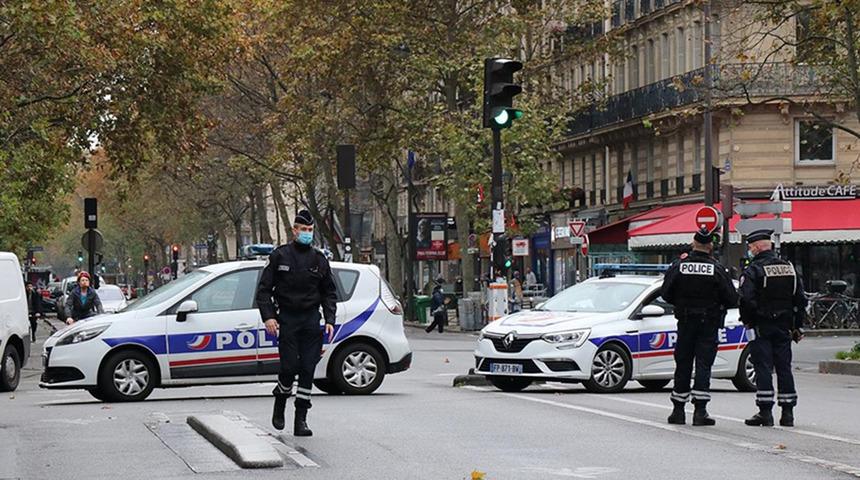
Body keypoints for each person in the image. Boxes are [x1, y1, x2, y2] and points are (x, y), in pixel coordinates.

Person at [256, 209, 337, 436]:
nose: (307, 233)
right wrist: (269, 317)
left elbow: (329, 292)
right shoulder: (279, 256)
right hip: (288, 318)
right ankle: (281, 398)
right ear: (294, 231)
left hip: (311, 319)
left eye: (310, 230)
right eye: (303, 229)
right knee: (289, 367)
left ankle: (301, 419)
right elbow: (264, 291)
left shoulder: (319, 259)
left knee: (308, 369)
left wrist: (330, 319)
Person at [661, 228, 738, 426]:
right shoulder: (716, 269)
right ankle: (700, 411)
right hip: (708, 323)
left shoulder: (680, 266)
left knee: (683, 363)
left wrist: (682, 302)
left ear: (693, 243)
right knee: (704, 365)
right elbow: (731, 298)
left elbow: (666, 293)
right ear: (710, 246)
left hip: (686, 322)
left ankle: (678, 410)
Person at [739, 229, 807, 427]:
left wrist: (749, 321)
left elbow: (746, 299)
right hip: (784, 326)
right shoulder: (789, 268)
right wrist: (797, 326)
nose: (750, 250)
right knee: (784, 368)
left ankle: (765, 412)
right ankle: (787, 413)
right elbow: (800, 299)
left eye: (751, 247)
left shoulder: (754, 270)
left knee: (763, 367)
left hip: (761, 325)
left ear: (757, 247)